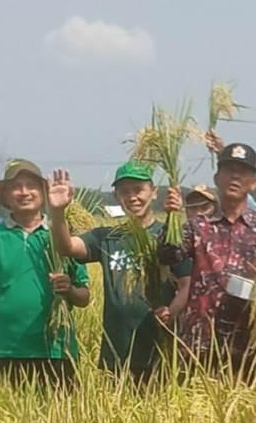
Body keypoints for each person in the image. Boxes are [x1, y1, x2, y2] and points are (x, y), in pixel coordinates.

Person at [0, 159, 90, 386]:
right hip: (9, 350)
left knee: (59, 420)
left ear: (44, 192)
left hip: (56, 350)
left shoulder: (61, 238)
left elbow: (84, 297)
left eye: (31, 185)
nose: (24, 192)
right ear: (5, 196)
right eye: (16, 186)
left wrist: (69, 290)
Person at [49, 162, 191, 382]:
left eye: (138, 190)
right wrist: (57, 211)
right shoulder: (108, 237)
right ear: (116, 196)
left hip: (162, 350)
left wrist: (171, 312)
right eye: (125, 191)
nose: (132, 197)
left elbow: (186, 284)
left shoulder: (169, 236)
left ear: (153, 193)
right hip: (117, 353)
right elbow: (65, 247)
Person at [161, 142, 256, 368]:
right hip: (201, 343)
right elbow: (168, 256)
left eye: (242, 172)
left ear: (254, 183)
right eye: (228, 170)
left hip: (253, 344)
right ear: (217, 178)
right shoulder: (197, 226)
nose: (234, 177)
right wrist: (171, 218)